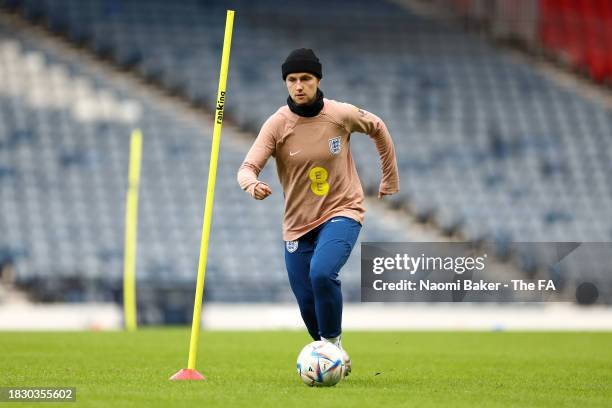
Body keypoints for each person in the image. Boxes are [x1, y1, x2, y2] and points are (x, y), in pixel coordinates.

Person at [237, 48, 399, 376]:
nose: (298, 85)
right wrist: (252, 184)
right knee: (306, 302)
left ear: (318, 80)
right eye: (292, 79)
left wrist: (389, 177)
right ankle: (327, 345)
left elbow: (378, 127)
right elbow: (246, 167)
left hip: (342, 209)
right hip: (297, 224)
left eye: (305, 79)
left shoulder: (340, 114)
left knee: (322, 273)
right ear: (286, 83)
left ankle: (333, 347)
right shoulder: (277, 124)